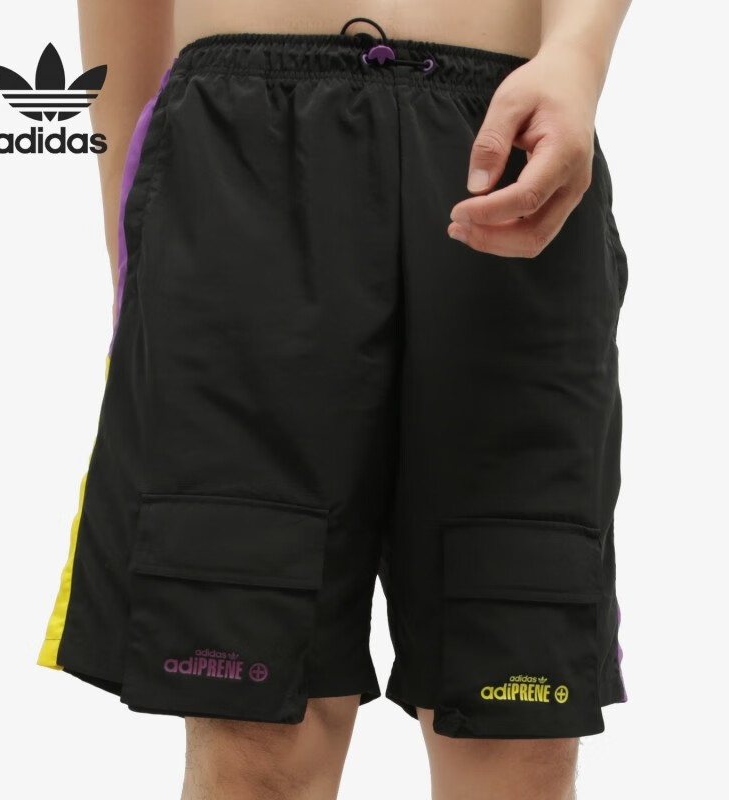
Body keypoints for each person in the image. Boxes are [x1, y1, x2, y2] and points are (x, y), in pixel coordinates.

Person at [37, 1, 632, 797]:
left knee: (517, 730)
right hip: (239, 166)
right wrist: (138, 228)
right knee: (256, 739)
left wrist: (579, 56)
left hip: (511, 148)